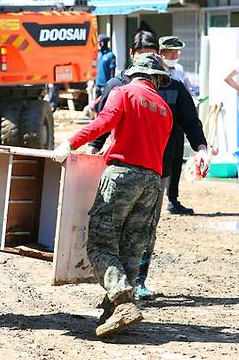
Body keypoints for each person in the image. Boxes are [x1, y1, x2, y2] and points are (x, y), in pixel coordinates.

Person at [52, 53, 173, 338]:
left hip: (122, 176)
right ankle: (114, 311)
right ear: (157, 79)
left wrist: (70, 142)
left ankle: (121, 301)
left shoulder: (123, 93)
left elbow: (105, 122)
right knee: (132, 246)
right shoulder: (165, 108)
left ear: (135, 74)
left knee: (99, 244)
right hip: (153, 183)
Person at [90, 29, 208, 300]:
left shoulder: (174, 87)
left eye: (152, 56)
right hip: (121, 166)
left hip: (158, 167)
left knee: (144, 231)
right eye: (143, 56)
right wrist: (91, 150)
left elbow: (191, 122)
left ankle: (137, 283)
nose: (148, 65)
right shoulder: (118, 85)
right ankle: (117, 287)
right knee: (112, 229)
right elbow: (102, 124)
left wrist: (201, 148)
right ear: (132, 55)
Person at [159, 36, 196, 216]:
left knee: (175, 162)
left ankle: (172, 199)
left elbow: (188, 90)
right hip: (158, 125)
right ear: (161, 52)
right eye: (171, 51)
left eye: (177, 51)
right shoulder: (155, 70)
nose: (175, 55)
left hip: (177, 124)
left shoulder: (179, 70)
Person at [95, 34, 116, 99]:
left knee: (104, 104)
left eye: (100, 42)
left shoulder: (110, 55)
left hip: (105, 85)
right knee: (97, 105)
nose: (99, 44)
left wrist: (111, 84)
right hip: (97, 84)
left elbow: (112, 71)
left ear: (104, 43)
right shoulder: (98, 53)